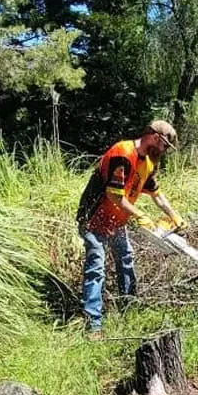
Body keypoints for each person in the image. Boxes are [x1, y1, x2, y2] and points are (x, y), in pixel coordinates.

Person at [75, 120, 187, 338]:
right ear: (155, 137)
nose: (164, 151)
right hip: (94, 218)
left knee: (126, 259)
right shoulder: (123, 153)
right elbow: (114, 195)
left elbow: (156, 194)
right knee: (96, 267)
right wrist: (141, 215)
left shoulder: (147, 163)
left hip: (117, 220)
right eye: (164, 146)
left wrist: (174, 215)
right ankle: (93, 326)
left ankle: (129, 308)